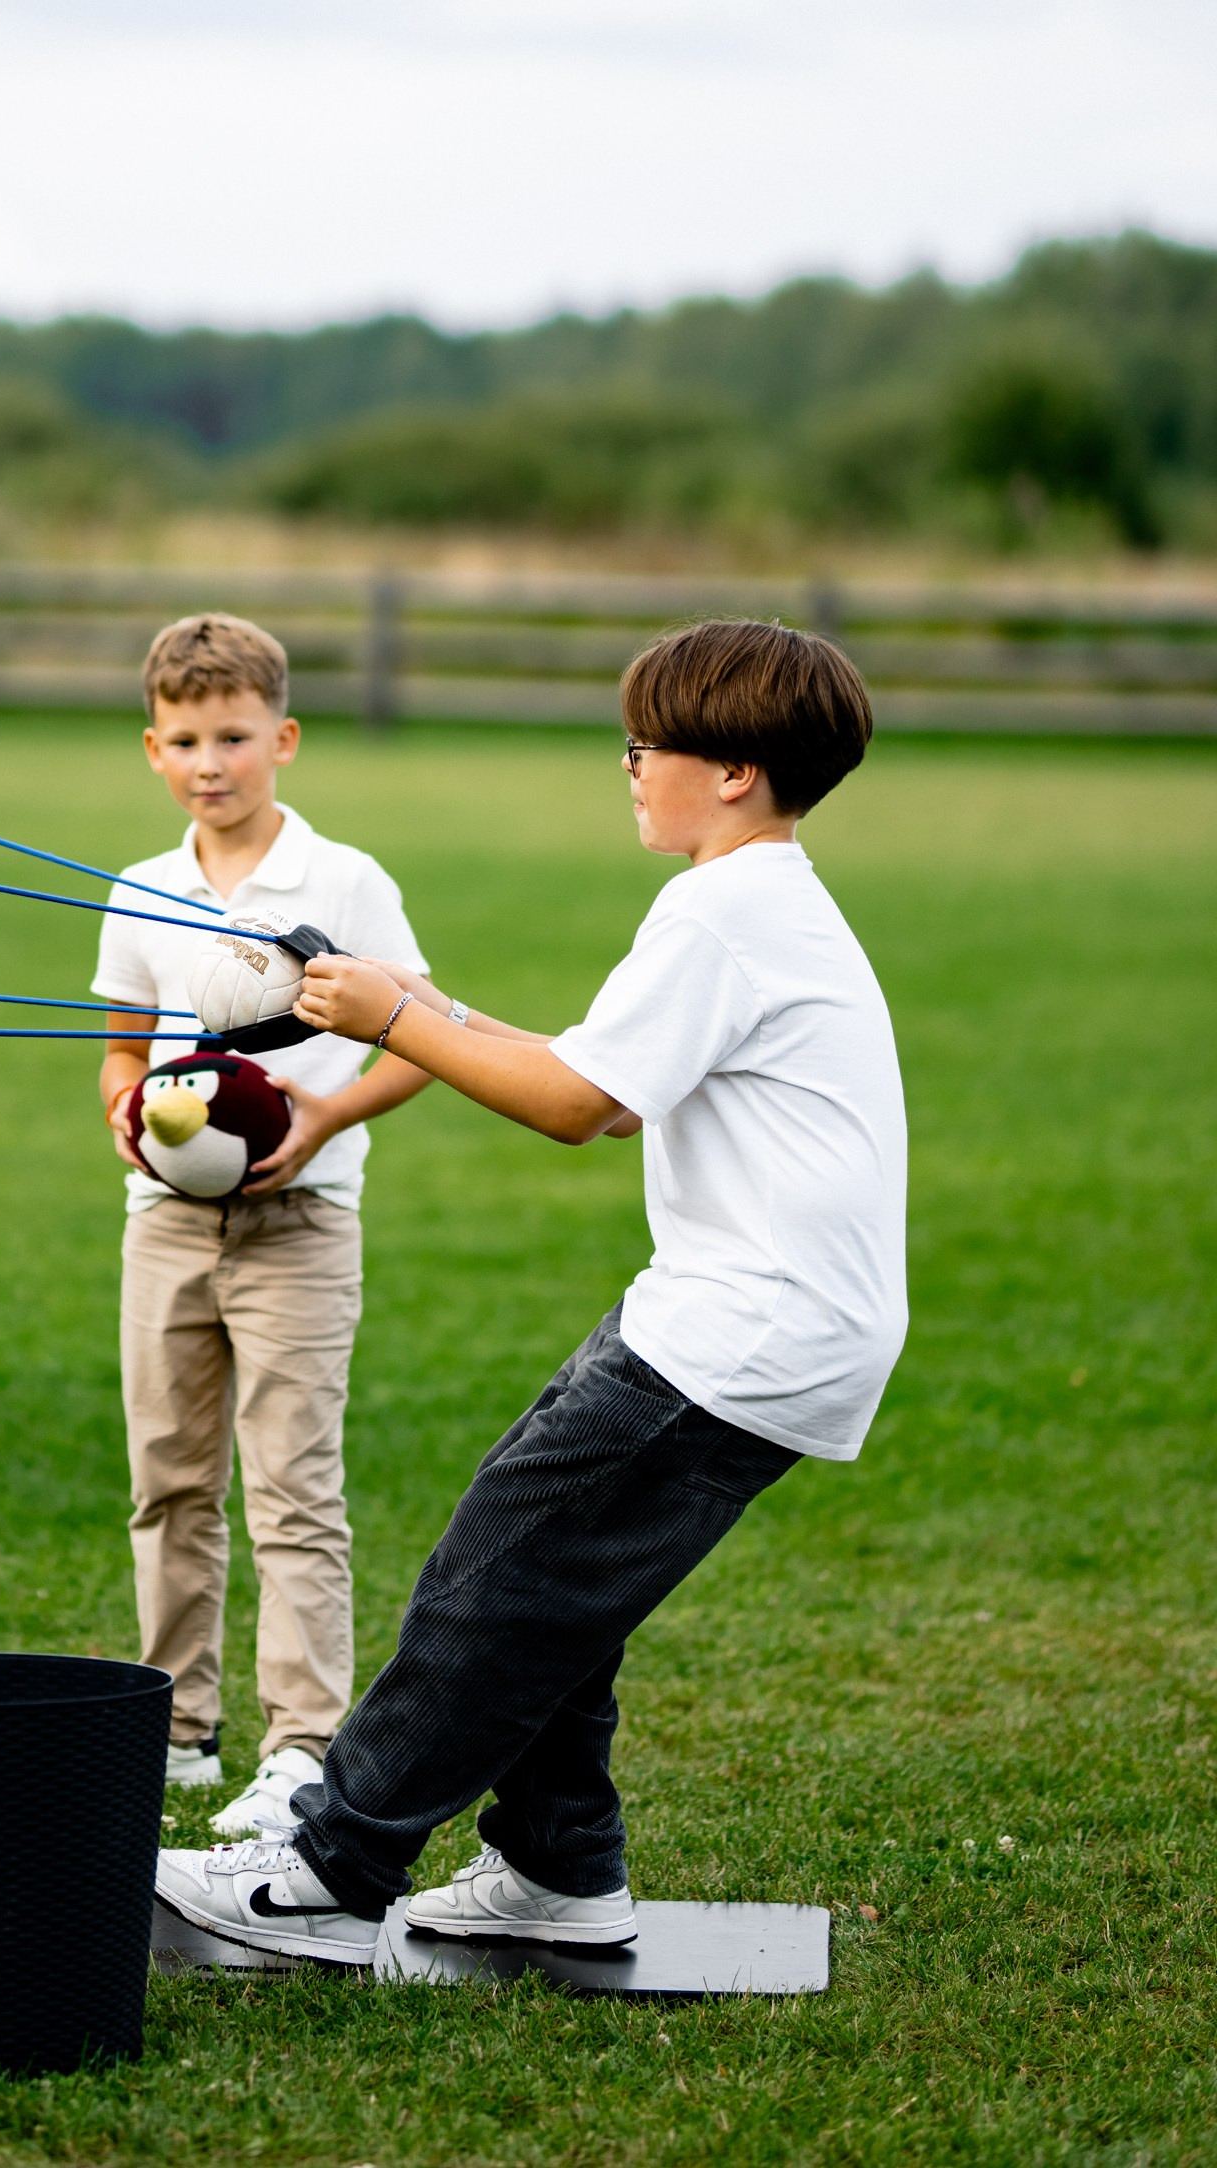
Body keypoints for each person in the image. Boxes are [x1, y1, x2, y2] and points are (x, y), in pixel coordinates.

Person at [155, 617, 906, 1961]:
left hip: (748, 1326)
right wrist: (405, 1000)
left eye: (646, 745)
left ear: (732, 770)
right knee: (557, 1587)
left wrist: (393, 1021)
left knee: (489, 1583)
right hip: (752, 1315)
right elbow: (594, 1074)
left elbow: (575, 1107)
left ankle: (333, 1868)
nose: (628, 766)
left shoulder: (722, 911)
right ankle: (560, 1869)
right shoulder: (758, 901)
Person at [93, 612, 433, 1836]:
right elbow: (122, 1049)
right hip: (163, 1228)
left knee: (291, 1482)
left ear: (280, 738)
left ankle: (301, 1748)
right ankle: (179, 1728)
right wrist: (129, 1118)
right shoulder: (138, 889)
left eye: (233, 735)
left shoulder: (342, 883)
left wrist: (325, 1117)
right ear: (151, 748)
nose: (209, 762)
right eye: (184, 739)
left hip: (301, 1226)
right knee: (167, 1480)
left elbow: (421, 1036)